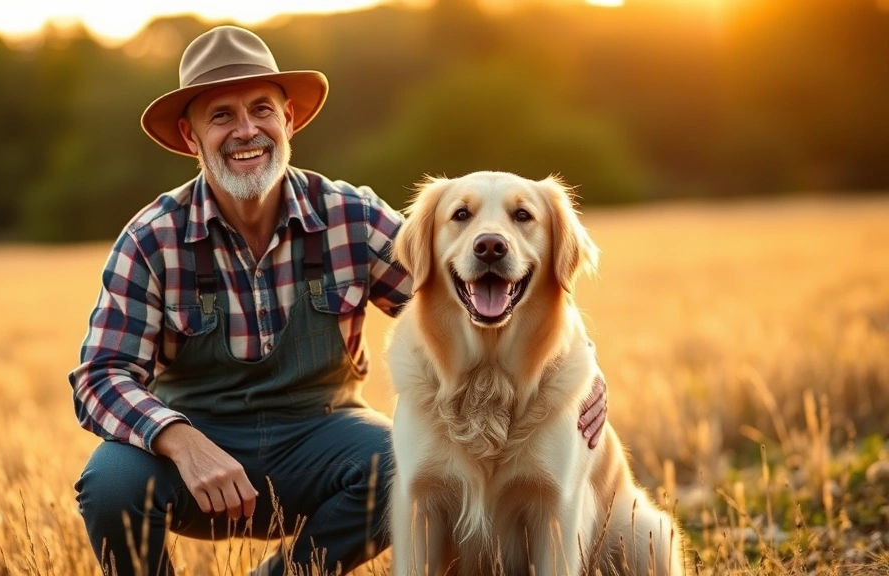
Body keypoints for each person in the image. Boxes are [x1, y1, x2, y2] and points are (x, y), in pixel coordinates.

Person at [69, 25, 609, 576]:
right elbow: (100, 376)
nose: (247, 130)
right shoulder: (152, 238)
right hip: (196, 445)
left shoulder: (351, 216)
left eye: (262, 109)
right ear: (191, 137)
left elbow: (462, 291)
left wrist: (579, 361)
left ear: (289, 121)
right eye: (222, 115)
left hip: (321, 436)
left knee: (404, 467)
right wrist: (179, 440)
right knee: (110, 484)